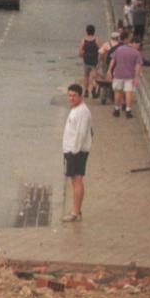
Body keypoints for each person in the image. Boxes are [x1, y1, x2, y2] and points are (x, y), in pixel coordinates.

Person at [61, 84, 92, 223]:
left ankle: (75, 213)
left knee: (77, 180)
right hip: (71, 150)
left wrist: (74, 151)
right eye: (70, 95)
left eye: (74, 95)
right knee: (75, 181)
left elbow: (81, 133)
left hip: (76, 152)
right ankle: (77, 209)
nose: (71, 98)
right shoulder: (76, 109)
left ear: (81, 96)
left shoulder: (82, 112)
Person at [108, 32, 141, 119]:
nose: (138, 46)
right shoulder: (136, 53)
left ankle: (116, 110)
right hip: (130, 76)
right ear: (134, 43)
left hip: (118, 74)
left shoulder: (119, 49)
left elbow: (113, 60)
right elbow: (137, 66)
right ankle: (128, 110)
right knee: (128, 92)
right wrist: (136, 77)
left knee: (117, 92)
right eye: (138, 45)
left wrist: (109, 70)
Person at [78, 25, 101, 98]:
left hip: (86, 60)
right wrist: (100, 59)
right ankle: (94, 87)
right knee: (94, 77)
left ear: (86, 31)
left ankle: (86, 91)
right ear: (94, 31)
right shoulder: (97, 40)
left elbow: (80, 52)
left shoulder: (84, 40)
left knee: (86, 76)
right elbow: (101, 50)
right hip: (94, 61)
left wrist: (82, 55)